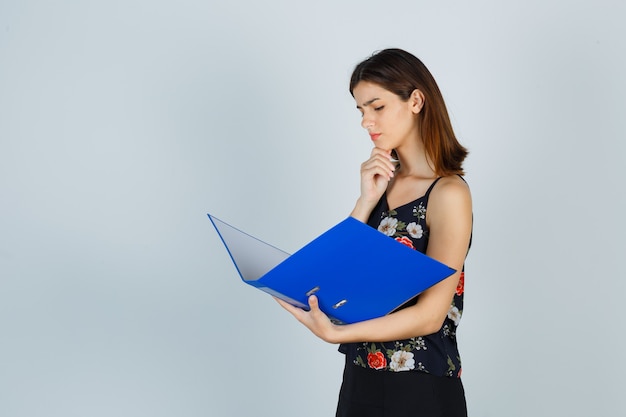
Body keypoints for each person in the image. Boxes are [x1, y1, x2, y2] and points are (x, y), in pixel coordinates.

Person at [276, 48, 473, 417]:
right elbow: (337, 274)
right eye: (361, 110)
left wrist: (337, 334)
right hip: (360, 377)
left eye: (376, 106)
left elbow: (432, 316)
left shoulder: (448, 193)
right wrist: (365, 201)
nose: (366, 121)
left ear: (416, 100)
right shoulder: (383, 183)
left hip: (420, 384)